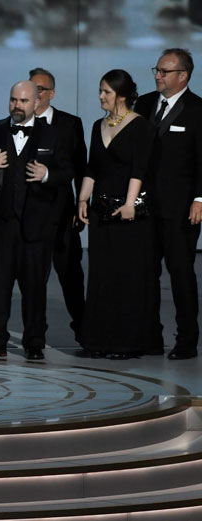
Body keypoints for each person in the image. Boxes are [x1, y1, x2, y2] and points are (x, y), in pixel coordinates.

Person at [0, 80, 71, 361]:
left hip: (36, 227)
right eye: (13, 100)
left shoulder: (53, 135)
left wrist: (47, 175)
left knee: (35, 289)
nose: (17, 105)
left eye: (24, 101)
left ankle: (34, 342)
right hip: (1, 226)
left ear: (37, 102)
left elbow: (67, 172)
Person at [78, 69, 162, 359]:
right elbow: (92, 167)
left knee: (126, 278)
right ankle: (99, 340)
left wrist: (129, 203)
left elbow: (139, 168)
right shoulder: (97, 125)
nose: (101, 96)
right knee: (102, 277)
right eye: (101, 91)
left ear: (122, 95)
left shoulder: (141, 127)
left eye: (107, 92)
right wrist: (82, 199)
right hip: (101, 212)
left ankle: (125, 343)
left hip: (128, 213)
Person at [134, 48, 202, 360]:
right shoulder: (145, 103)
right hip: (145, 206)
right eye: (157, 70)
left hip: (181, 210)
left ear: (183, 76)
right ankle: (148, 337)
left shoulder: (199, 110)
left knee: (180, 274)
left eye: (164, 71)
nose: (158, 75)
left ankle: (186, 341)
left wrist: (200, 198)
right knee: (145, 273)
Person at [30, 67, 87, 345]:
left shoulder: (70, 123)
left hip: (63, 215)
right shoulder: (17, 121)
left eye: (41, 89)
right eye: (32, 88)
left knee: (71, 276)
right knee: (34, 280)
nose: (35, 93)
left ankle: (85, 331)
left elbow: (80, 167)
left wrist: (80, 204)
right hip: (31, 217)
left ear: (51, 93)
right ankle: (36, 338)